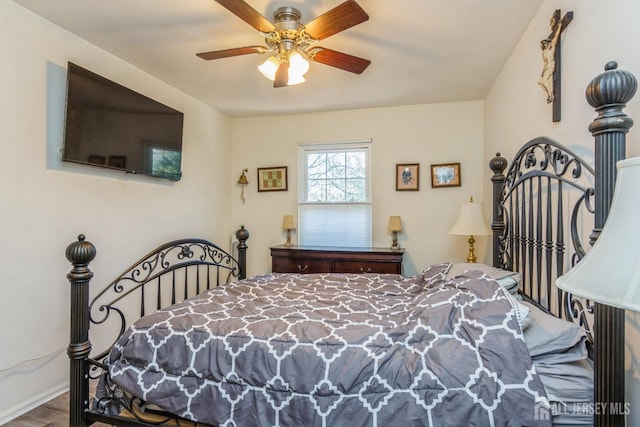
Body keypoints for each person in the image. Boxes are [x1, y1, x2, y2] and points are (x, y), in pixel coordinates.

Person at [538, 16, 562, 104]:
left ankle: (551, 95)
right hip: (547, 67)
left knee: (544, 81)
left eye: (545, 44)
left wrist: (559, 27)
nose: (544, 46)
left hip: (551, 65)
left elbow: (555, 36)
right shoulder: (544, 53)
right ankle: (548, 93)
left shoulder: (552, 48)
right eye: (543, 45)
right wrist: (542, 72)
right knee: (540, 81)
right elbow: (544, 63)